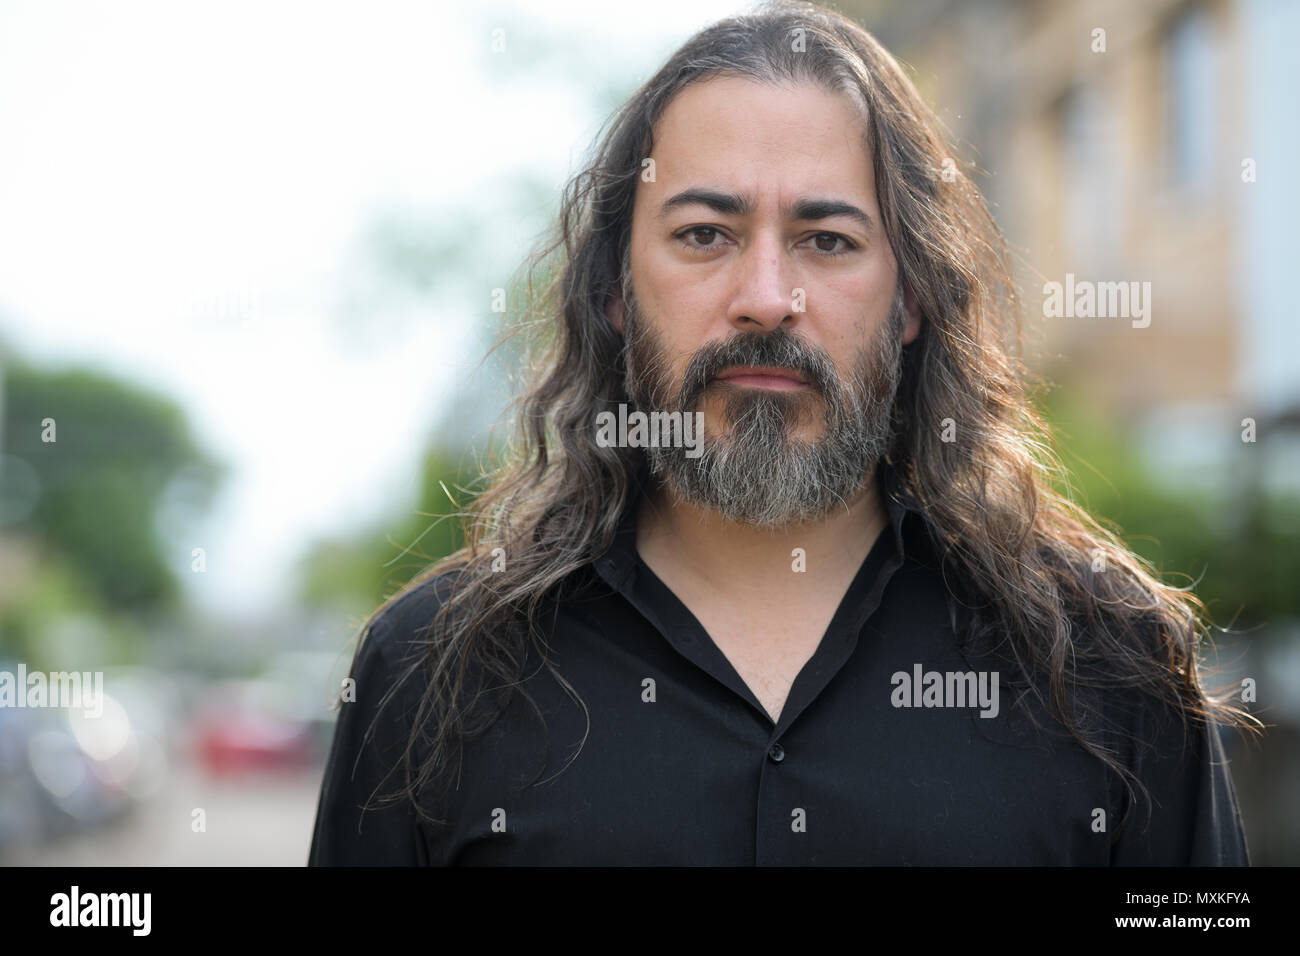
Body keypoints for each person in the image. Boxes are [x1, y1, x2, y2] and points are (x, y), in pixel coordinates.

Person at [308, 0, 1257, 866]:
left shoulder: (1108, 666)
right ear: (613, 291)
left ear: (913, 296)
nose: (767, 299)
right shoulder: (429, 672)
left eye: (827, 240)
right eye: (704, 235)